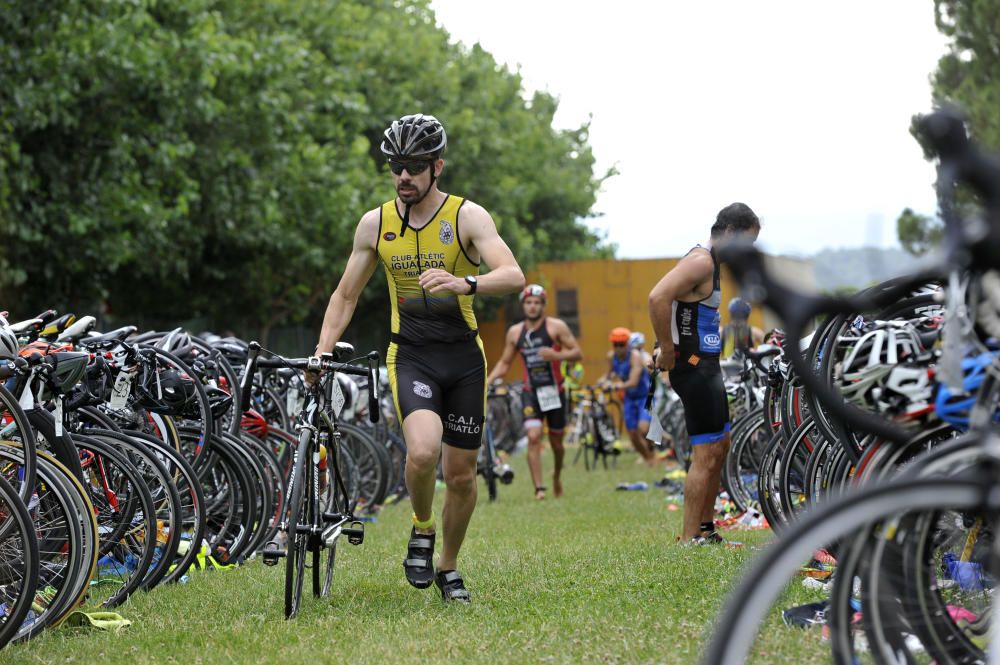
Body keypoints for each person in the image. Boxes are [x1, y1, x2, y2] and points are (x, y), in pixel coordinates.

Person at [308, 114, 525, 603]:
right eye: (395, 166)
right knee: (424, 452)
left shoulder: (466, 217)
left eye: (414, 166)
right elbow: (345, 296)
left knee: (462, 474)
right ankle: (421, 526)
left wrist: (464, 282)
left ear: (437, 167)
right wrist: (320, 354)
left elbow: (513, 276)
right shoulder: (377, 224)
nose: (403, 175)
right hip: (411, 356)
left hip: (464, 357)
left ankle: (448, 566)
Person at [648, 202, 761, 543]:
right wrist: (666, 348)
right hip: (692, 367)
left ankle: (706, 529)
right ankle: (688, 538)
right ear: (729, 232)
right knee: (706, 451)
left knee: (720, 445)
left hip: (708, 366)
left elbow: (677, 304)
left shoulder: (710, 265)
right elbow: (658, 297)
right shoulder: (700, 261)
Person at [486, 284, 582, 500]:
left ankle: (556, 475)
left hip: (554, 391)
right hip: (530, 392)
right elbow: (504, 363)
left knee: (557, 443)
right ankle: (539, 489)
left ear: (543, 305)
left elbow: (577, 353)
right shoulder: (515, 332)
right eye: (528, 303)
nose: (532, 307)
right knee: (533, 436)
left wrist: (556, 356)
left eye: (537, 303)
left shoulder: (555, 327)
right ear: (523, 305)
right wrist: (486, 383)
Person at [600, 327, 656, 466]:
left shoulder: (635, 356)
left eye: (621, 344)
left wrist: (614, 386)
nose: (618, 348)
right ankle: (648, 458)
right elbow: (607, 375)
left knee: (643, 429)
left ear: (627, 344)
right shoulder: (611, 357)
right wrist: (602, 382)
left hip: (644, 396)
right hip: (629, 398)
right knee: (632, 434)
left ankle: (652, 451)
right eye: (615, 345)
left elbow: (633, 382)